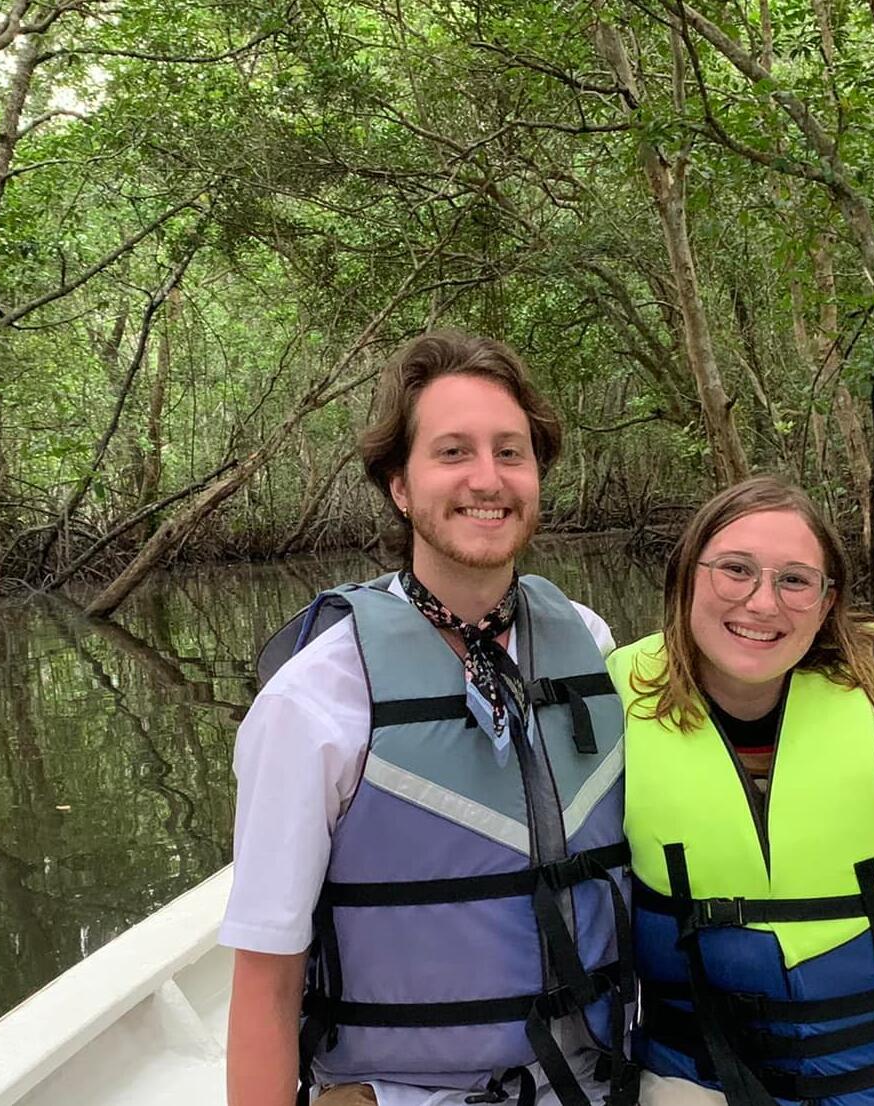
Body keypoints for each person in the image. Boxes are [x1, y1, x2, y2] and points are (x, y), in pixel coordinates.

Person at [222, 332, 635, 1106]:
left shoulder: (588, 640)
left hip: (585, 1083)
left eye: (510, 452)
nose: (488, 478)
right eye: (452, 452)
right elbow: (266, 976)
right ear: (399, 486)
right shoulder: (315, 698)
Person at [608, 476, 874, 1106]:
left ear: (827, 604)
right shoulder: (610, 718)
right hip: (701, 1083)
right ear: (687, 576)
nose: (762, 603)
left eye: (795, 580)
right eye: (735, 570)